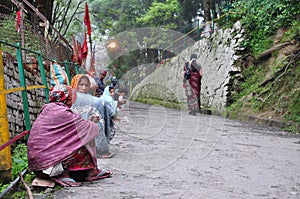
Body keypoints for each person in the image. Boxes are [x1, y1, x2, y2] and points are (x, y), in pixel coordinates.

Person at [27, 85, 112, 187]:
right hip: (48, 166)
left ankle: (86, 171)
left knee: (78, 135)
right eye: (71, 97)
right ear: (66, 98)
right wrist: (92, 122)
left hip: (37, 167)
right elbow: (89, 130)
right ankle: (67, 174)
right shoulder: (62, 112)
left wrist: (87, 122)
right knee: (84, 138)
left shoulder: (47, 109)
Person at [71, 74, 115, 158]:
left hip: (86, 123)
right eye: (81, 84)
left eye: (86, 85)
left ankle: (99, 150)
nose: (84, 87)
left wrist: (93, 118)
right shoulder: (71, 97)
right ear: (75, 84)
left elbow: (93, 112)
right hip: (74, 126)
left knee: (97, 125)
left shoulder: (90, 99)